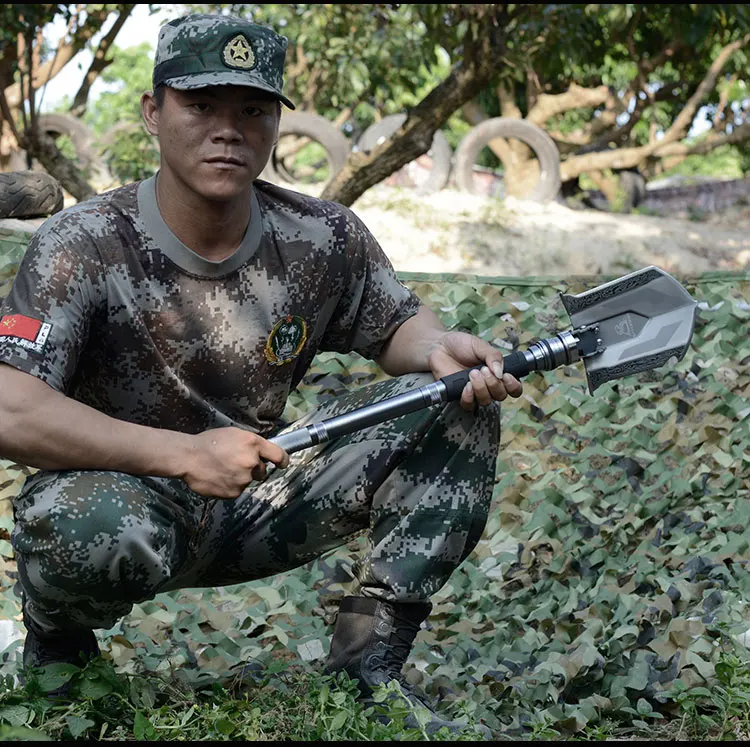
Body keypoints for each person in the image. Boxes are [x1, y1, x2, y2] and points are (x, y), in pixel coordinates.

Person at [0, 12, 522, 737]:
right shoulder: (81, 243)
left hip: (260, 493)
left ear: (277, 122)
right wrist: (183, 455)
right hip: (126, 501)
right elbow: (10, 408)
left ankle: (368, 670)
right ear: (153, 112)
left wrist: (438, 348)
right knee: (78, 519)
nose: (228, 129)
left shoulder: (323, 235)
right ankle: (62, 659)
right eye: (202, 105)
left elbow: (396, 323)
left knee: (452, 401)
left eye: (253, 110)